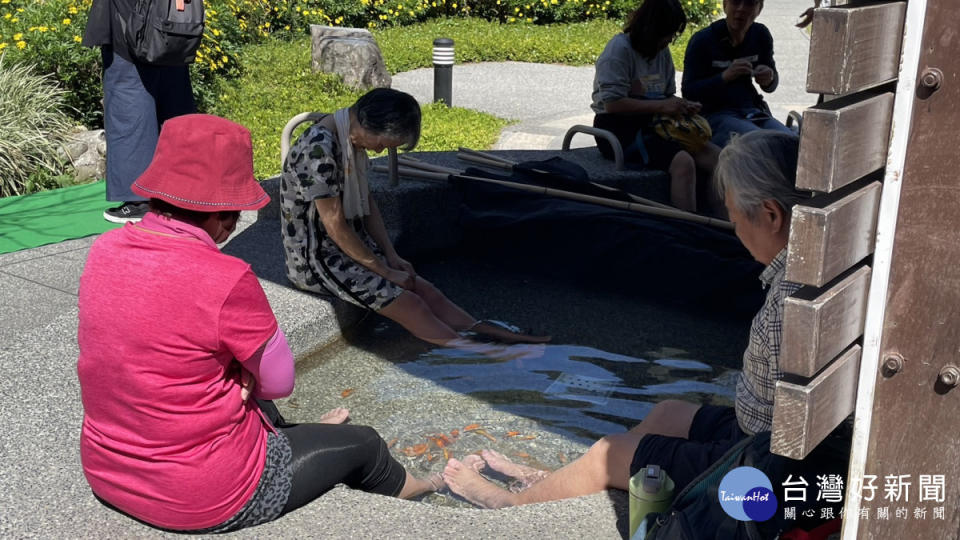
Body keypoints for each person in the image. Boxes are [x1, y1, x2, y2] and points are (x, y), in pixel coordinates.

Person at [77, 114, 442, 533]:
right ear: (224, 216)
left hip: (107, 472)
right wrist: (243, 378)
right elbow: (279, 381)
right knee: (365, 443)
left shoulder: (105, 250)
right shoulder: (225, 277)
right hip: (200, 496)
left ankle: (288, 435)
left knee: (239, 382)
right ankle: (414, 485)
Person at [442, 130, 809, 508]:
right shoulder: (807, 275)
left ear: (770, 215)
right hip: (759, 439)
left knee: (610, 453)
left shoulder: (788, 305)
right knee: (667, 413)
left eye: (734, 219)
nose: (735, 231)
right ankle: (554, 483)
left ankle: (506, 503)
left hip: (760, 469)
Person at [280, 88, 550, 346]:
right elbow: (335, 225)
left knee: (422, 288)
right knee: (412, 305)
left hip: (346, 248)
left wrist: (391, 255)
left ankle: (481, 328)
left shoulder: (349, 134)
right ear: (365, 124)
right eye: (383, 144)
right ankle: (485, 353)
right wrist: (384, 270)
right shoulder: (317, 152)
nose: (378, 152)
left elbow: (368, 203)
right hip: (317, 260)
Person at [590, 0, 721, 213]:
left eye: (672, 34)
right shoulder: (619, 50)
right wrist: (662, 106)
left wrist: (682, 105)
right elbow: (613, 104)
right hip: (618, 125)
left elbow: (666, 95)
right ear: (650, 29)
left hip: (655, 120)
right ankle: (689, 229)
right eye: (666, 33)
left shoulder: (662, 52)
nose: (669, 40)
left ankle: (723, 224)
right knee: (683, 163)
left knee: (719, 157)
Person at [82, 0, 195, 223]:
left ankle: (140, 199)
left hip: (131, 23)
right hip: (171, 21)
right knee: (173, 96)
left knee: (128, 102)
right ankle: (181, 189)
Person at [681, 0, 796, 148]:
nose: (741, 9)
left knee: (793, 143)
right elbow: (688, 93)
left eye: (749, 4)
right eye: (735, 2)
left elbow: (771, 85)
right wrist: (724, 77)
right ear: (725, 5)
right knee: (760, 144)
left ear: (759, 9)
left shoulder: (760, 34)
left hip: (752, 111)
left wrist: (769, 78)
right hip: (715, 114)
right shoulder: (703, 40)